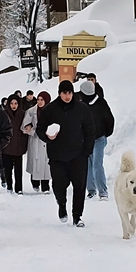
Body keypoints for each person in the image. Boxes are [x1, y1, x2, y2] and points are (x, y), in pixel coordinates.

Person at [35, 80, 95, 227]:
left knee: (79, 186)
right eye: (64, 93)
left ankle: (77, 216)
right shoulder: (50, 110)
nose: (67, 96)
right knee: (58, 185)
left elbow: (90, 130)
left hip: (78, 155)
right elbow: (40, 128)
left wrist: (86, 151)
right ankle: (62, 206)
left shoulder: (82, 109)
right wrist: (47, 137)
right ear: (59, 93)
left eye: (69, 93)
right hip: (57, 156)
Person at [78, 79, 114, 201]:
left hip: (99, 139)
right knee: (87, 165)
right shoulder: (81, 104)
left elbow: (109, 120)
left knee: (97, 165)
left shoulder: (101, 103)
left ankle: (103, 192)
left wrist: (105, 134)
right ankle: (91, 190)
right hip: (85, 139)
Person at [22, 91, 51, 193]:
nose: (39, 102)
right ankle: (35, 183)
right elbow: (24, 125)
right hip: (35, 139)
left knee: (46, 163)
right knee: (35, 161)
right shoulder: (31, 111)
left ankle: (45, 186)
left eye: (42, 100)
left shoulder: (51, 111)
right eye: (38, 99)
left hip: (46, 139)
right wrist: (29, 128)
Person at [1, 95, 28, 194]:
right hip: (7, 146)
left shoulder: (23, 114)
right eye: (12, 103)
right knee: (7, 168)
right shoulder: (4, 114)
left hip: (18, 146)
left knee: (18, 170)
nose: (14, 105)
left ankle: (19, 188)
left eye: (16, 103)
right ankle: (9, 186)